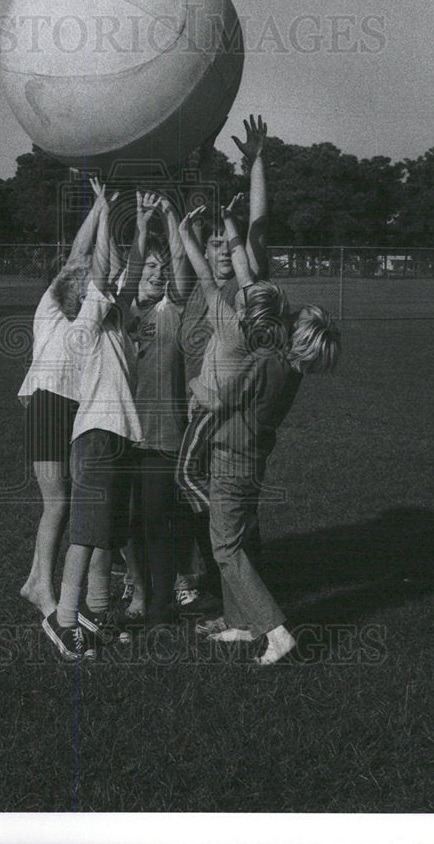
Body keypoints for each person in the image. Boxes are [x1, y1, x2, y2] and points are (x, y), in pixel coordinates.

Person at [178, 195, 341, 665]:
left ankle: (274, 630)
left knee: (225, 547)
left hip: (231, 458)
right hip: (252, 458)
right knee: (241, 539)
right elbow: (249, 278)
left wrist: (192, 381)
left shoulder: (266, 362)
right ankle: (242, 623)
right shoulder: (288, 366)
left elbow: (217, 399)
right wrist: (232, 223)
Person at [42, 189, 145, 661]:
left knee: (108, 533)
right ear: (82, 298)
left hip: (119, 434)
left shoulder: (116, 325)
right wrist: (107, 213)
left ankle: (100, 613)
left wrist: (141, 227)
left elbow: (128, 274)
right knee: (86, 535)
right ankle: (64, 622)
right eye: (91, 287)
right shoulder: (82, 329)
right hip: (98, 436)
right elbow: (103, 271)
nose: (102, 286)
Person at [175, 116, 271, 609]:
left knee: (220, 503)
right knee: (199, 498)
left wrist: (255, 163)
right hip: (195, 403)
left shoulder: (243, 289)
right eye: (211, 244)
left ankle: (245, 592)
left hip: (229, 413)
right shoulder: (201, 292)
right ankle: (220, 589)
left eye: (221, 244)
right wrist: (201, 159)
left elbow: (256, 223)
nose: (218, 249)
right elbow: (186, 231)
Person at [18, 176, 115, 618]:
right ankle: (40, 582)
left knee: (72, 501)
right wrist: (99, 207)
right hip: (47, 403)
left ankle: (40, 580)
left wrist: (107, 216)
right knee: (57, 501)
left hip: (76, 410)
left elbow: (99, 264)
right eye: (74, 279)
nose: (82, 282)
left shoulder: (90, 317)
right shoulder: (52, 309)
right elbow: (79, 254)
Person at [118, 191, 190, 630]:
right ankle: (140, 593)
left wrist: (169, 215)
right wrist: (141, 231)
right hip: (119, 433)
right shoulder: (122, 315)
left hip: (161, 436)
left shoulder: (171, 312)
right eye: (150, 267)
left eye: (161, 269)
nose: (158, 274)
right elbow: (126, 281)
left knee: (155, 523)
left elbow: (181, 271)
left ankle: (162, 612)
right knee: (127, 524)